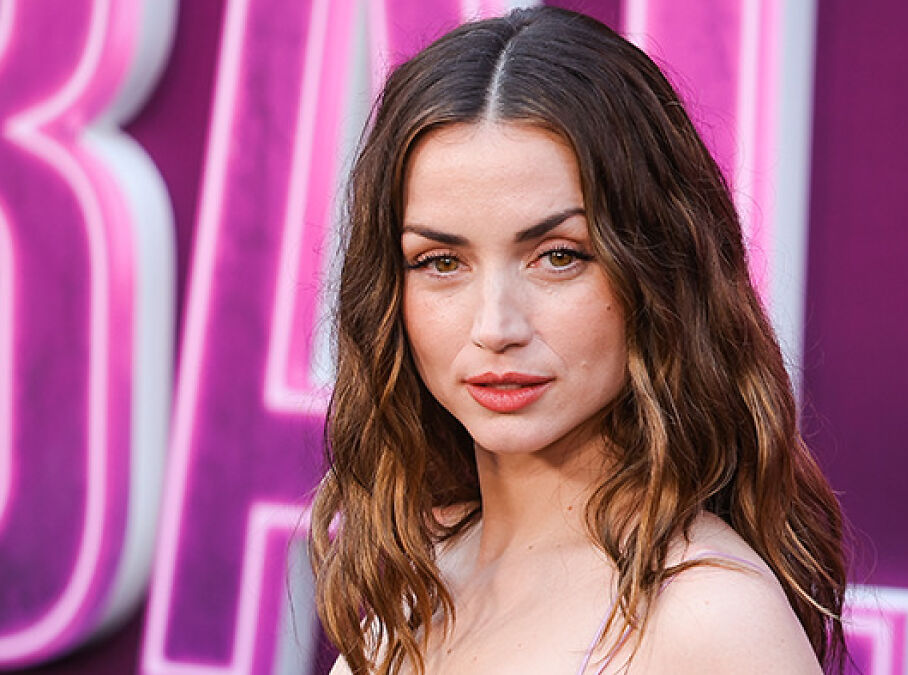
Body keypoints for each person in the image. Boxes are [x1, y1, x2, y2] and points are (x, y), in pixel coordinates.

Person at [309, 6, 847, 674]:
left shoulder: (710, 618)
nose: (496, 327)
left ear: (656, 270)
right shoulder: (419, 586)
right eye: (441, 262)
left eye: (558, 257)